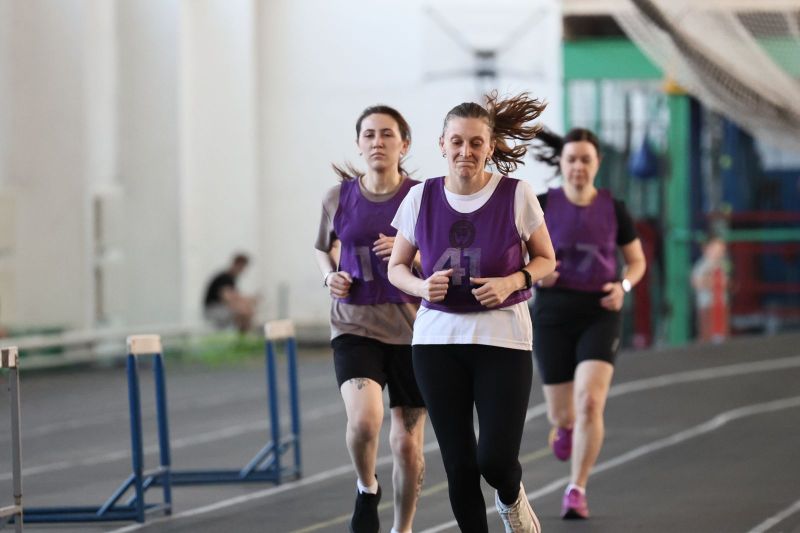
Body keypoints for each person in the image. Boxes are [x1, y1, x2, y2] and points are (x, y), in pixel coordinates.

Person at [388, 92, 555, 533]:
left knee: (495, 460)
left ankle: (511, 496)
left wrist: (512, 281)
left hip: (503, 339)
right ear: (442, 144)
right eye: (457, 141)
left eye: (476, 143)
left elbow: (546, 259)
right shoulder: (420, 197)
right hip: (436, 342)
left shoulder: (516, 195)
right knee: (459, 464)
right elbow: (396, 267)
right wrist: (422, 286)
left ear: (491, 146)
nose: (466, 151)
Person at [314, 105, 426, 533]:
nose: (378, 142)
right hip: (354, 325)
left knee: (407, 446)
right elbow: (323, 247)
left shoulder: (422, 198)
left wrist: (408, 251)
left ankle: (402, 527)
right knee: (364, 421)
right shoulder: (337, 198)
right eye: (369, 135)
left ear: (404, 144)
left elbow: (445, 258)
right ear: (359, 144)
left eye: (387, 134)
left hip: (413, 330)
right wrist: (330, 277)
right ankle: (366, 487)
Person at [530, 127, 647, 519]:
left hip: (600, 311)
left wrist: (624, 286)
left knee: (590, 402)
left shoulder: (614, 209)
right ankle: (564, 428)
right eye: (571, 159)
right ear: (561, 163)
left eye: (585, 159)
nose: (578, 166)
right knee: (562, 414)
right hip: (552, 315)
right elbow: (517, 257)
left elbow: (637, 261)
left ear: (598, 164)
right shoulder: (542, 205)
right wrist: (537, 274)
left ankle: (576, 489)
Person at [202, 253, 258, 333]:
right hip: (213, 309)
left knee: (245, 309)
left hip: (219, 308)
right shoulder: (225, 278)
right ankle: (244, 334)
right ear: (237, 265)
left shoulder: (231, 279)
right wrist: (246, 304)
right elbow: (228, 298)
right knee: (243, 311)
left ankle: (244, 333)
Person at [691, 236, 729, 343]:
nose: (718, 253)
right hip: (705, 304)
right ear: (705, 249)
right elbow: (696, 282)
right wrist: (711, 282)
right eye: (715, 250)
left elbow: (726, 281)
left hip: (721, 303)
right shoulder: (701, 266)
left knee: (722, 327)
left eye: (720, 250)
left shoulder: (722, 265)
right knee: (706, 327)